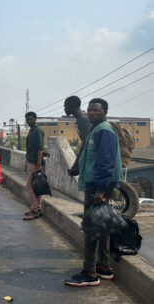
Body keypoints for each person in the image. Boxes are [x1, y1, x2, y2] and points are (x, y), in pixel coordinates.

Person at [65, 98, 121, 287]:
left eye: (96, 110)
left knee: (91, 228)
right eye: (89, 110)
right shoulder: (95, 129)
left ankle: (89, 274)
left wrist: (100, 190)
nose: (91, 113)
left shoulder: (103, 130)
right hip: (97, 184)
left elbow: (106, 161)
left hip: (98, 186)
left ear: (104, 112)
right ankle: (104, 267)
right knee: (101, 226)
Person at [23, 112, 45, 220]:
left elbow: (40, 149)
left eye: (30, 119)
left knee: (30, 186)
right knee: (37, 187)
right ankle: (37, 208)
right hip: (31, 161)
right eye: (27, 119)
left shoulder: (38, 131)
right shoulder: (32, 131)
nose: (28, 121)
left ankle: (35, 210)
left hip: (35, 163)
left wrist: (39, 165)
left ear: (35, 119)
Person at [64, 95, 92, 176]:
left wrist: (76, 165)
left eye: (65, 106)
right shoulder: (80, 119)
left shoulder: (83, 119)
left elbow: (86, 143)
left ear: (71, 106)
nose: (64, 109)